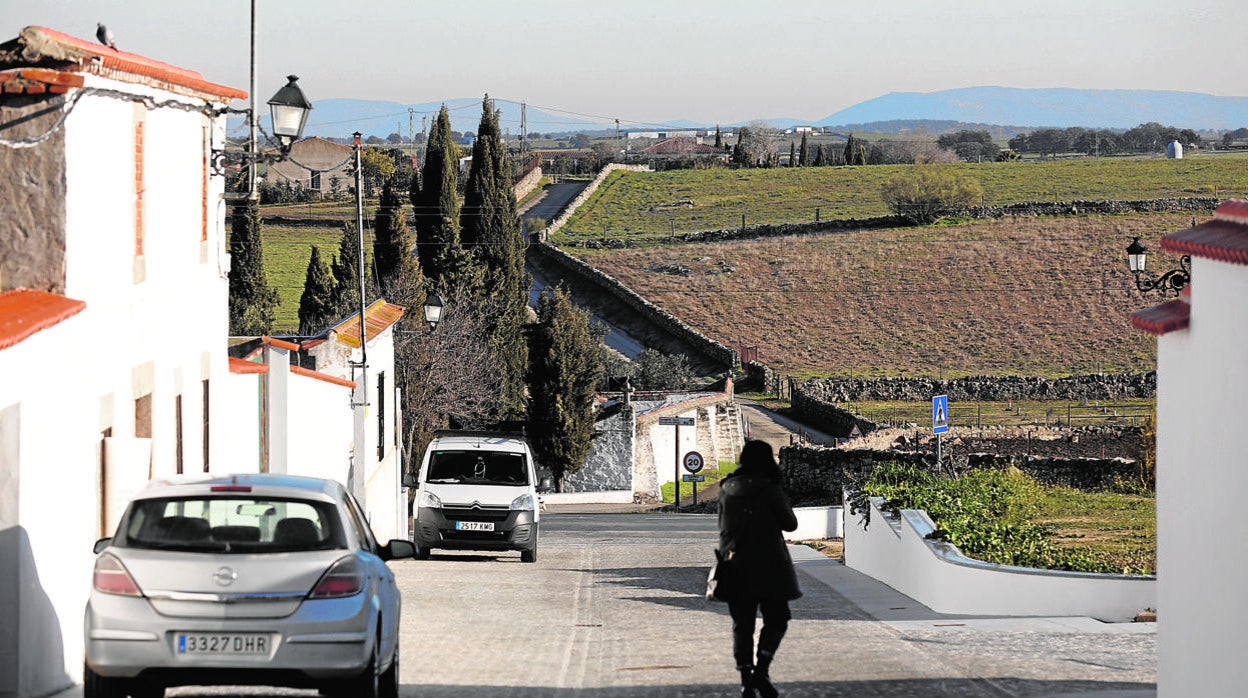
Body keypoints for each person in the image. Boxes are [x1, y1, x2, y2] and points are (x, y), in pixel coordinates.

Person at [716, 439, 800, 698]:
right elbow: (790, 524)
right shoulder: (770, 489)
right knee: (777, 619)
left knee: (742, 625)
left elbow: (723, 528)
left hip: (736, 566)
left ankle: (746, 680)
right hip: (771, 567)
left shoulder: (727, 488)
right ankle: (761, 671)